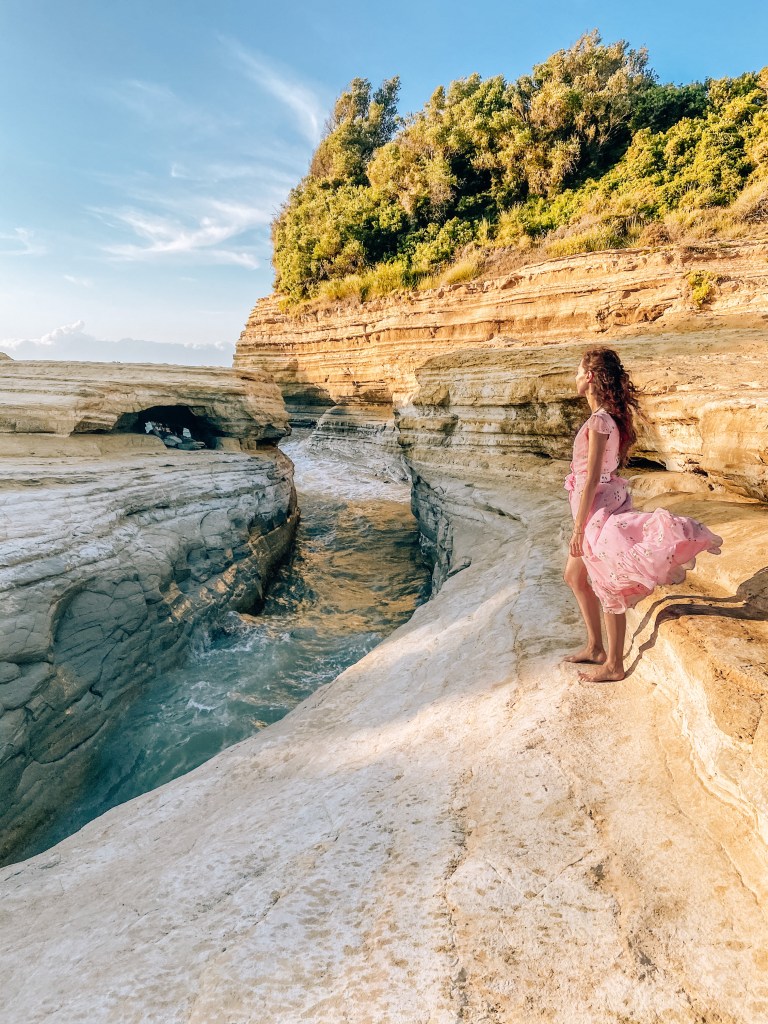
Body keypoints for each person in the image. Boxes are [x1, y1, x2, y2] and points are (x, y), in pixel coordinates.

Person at [562, 347, 722, 683]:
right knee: (575, 577)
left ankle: (614, 664)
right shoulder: (604, 417)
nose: (575, 376)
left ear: (589, 377)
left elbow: (592, 477)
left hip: (595, 512)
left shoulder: (600, 420)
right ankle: (595, 647)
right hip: (593, 506)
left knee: (607, 584)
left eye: (578, 371)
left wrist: (579, 530)